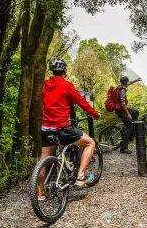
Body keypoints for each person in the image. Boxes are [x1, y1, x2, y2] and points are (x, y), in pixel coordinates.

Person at [39, 57, 101, 197]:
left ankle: (40, 194)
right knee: (90, 143)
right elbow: (82, 102)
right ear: (64, 70)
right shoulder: (66, 85)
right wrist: (95, 114)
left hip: (46, 128)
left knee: (43, 160)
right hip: (62, 127)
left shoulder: (45, 86)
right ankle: (80, 177)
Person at [115, 76, 142, 154]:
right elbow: (123, 103)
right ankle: (124, 148)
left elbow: (129, 83)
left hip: (120, 109)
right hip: (121, 110)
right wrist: (128, 114)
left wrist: (136, 80)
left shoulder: (119, 87)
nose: (128, 82)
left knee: (136, 112)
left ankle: (132, 129)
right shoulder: (122, 90)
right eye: (127, 82)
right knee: (129, 126)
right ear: (125, 83)